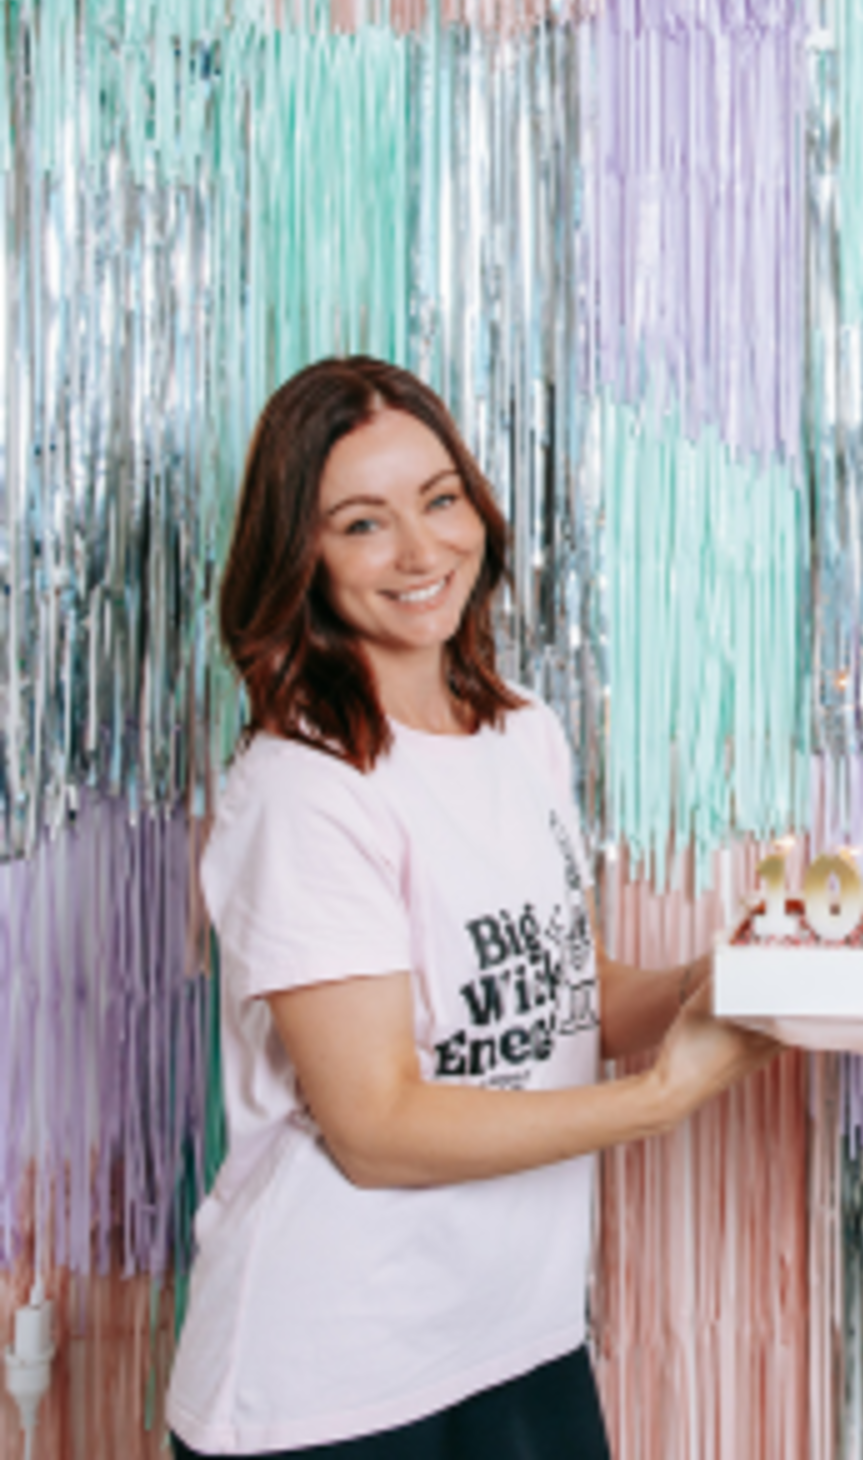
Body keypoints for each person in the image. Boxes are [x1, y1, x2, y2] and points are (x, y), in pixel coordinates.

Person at [167, 358, 777, 1459]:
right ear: (300, 557)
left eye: (440, 499)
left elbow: (566, 993)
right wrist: (657, 1099)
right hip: (330, 1381)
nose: (420, 550)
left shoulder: (521, 730)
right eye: (362, 523)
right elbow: (376, 1125)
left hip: (515, 1335)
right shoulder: (304, 788)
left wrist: (729, 974)